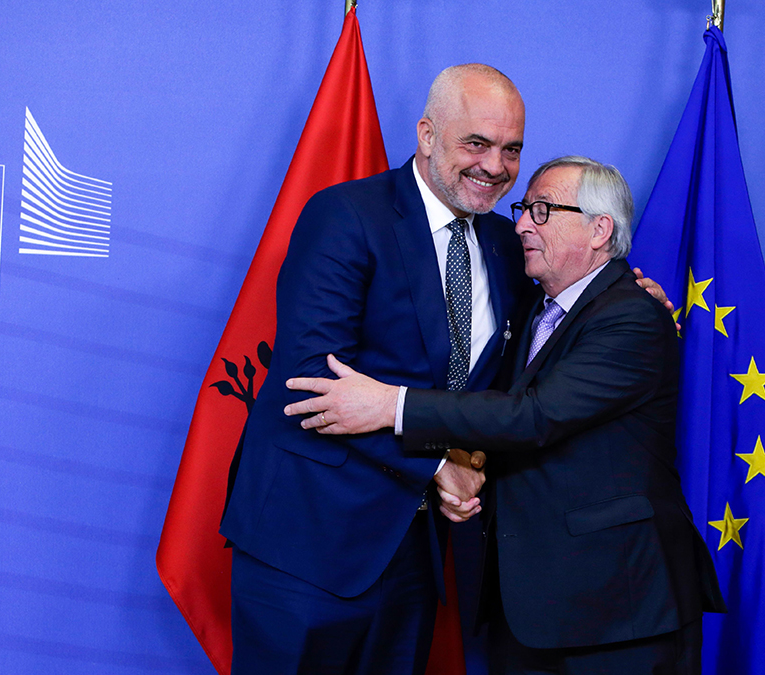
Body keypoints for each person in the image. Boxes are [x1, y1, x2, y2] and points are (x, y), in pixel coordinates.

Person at [221, 65, 671, 674]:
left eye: (512, 149)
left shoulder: (510, 248)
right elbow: (311, 383)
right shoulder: (346, 216)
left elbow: (564, 318)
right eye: (476, 144)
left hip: (415, 555)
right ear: (427, 135)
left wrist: (628, 290)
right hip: (308, 541)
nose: (496, 166)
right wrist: (437, 465)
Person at [286, 156, 726, 674]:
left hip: (620, 611)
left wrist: (390, 403)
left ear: (599, 229)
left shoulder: (632, 316)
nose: (519, 224)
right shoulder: (537, 308)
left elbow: (532, 416)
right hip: (533, 607)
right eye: (523, 209)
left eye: (541, 211)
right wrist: (450, 467)